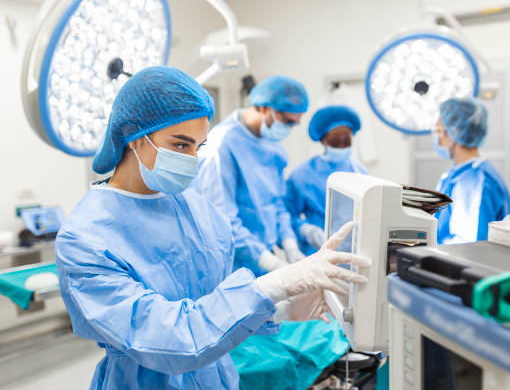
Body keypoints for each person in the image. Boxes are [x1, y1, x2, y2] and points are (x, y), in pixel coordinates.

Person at [55, 66, 370, 390]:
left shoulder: (200, 212)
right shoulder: (85, 239)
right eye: (180, 145)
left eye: (198, 146)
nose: (192, 159)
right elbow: (174, 338)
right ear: (134, 133)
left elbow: (215, 306)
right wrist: (275, 282)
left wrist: (280, 309)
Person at [193, 76, 309, 276]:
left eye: (294, 124)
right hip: (231, 264)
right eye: (287, 121)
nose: (288, 128)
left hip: (263, 256)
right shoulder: (221, 146)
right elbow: (223, 222)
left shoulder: (273, 147)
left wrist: (291, 246)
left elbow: (277, 203)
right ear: (264, 108)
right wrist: (274, 265)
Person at [432, 97, 510, 244]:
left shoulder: (475, 181)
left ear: (455, 132)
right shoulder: (457, 174)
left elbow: (468, 247)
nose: (437, 139)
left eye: (439, 131)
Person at [285, 105, 367, 255]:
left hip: (354, 251)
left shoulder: (359, 171)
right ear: (323, 140)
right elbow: (287, 214)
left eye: (346, 142)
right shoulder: (302, 174)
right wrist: (306, 230)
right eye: (336, 143)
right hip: (317, 250)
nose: (342, 147)